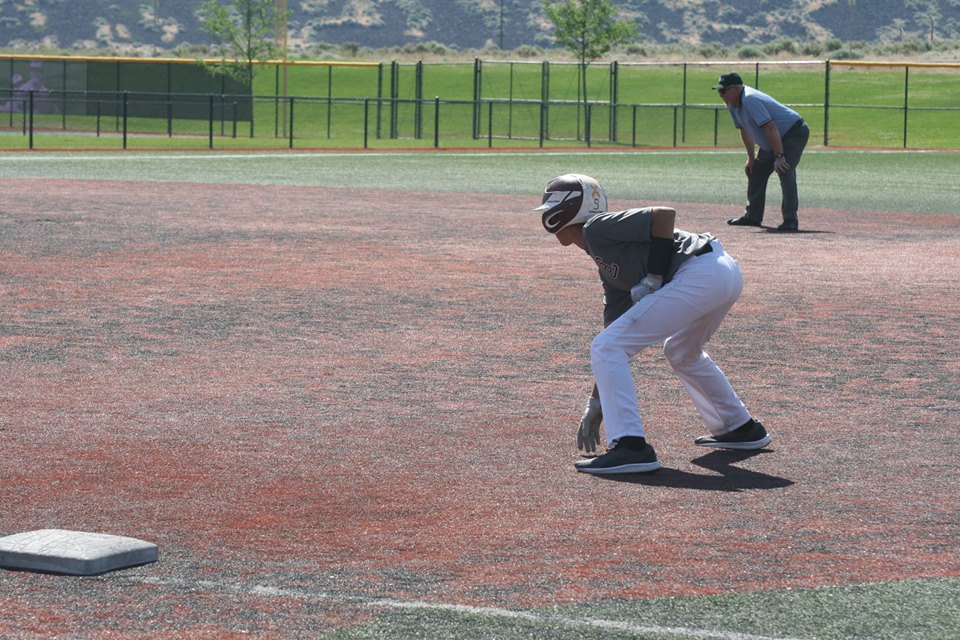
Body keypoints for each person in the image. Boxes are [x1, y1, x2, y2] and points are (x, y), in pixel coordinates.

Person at [535, 174, 770, 474]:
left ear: (570, 209)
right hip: (720, 272)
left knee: (609, 347)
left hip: (700, 272)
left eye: (550, 206)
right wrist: (595, 404)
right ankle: (739, 427)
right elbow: (614, 333)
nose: (546, 213)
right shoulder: (607, 267)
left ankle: (630, 447)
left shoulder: (595, 227)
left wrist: (655, 275)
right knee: (681, 350)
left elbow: (663, 216)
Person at [714, 72, 810, 232]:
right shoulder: (732, 104)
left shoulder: (750, 99)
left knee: (784, 169)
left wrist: (779, 156)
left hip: (793, 132)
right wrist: (751, 158)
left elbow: (770, 127)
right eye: (719, 91)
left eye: (724, 91)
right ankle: (752, 217)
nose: (721, 94)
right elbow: (744, 130)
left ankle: (790, 219)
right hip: (773, 138)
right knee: (756, 171)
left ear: (736, 89)